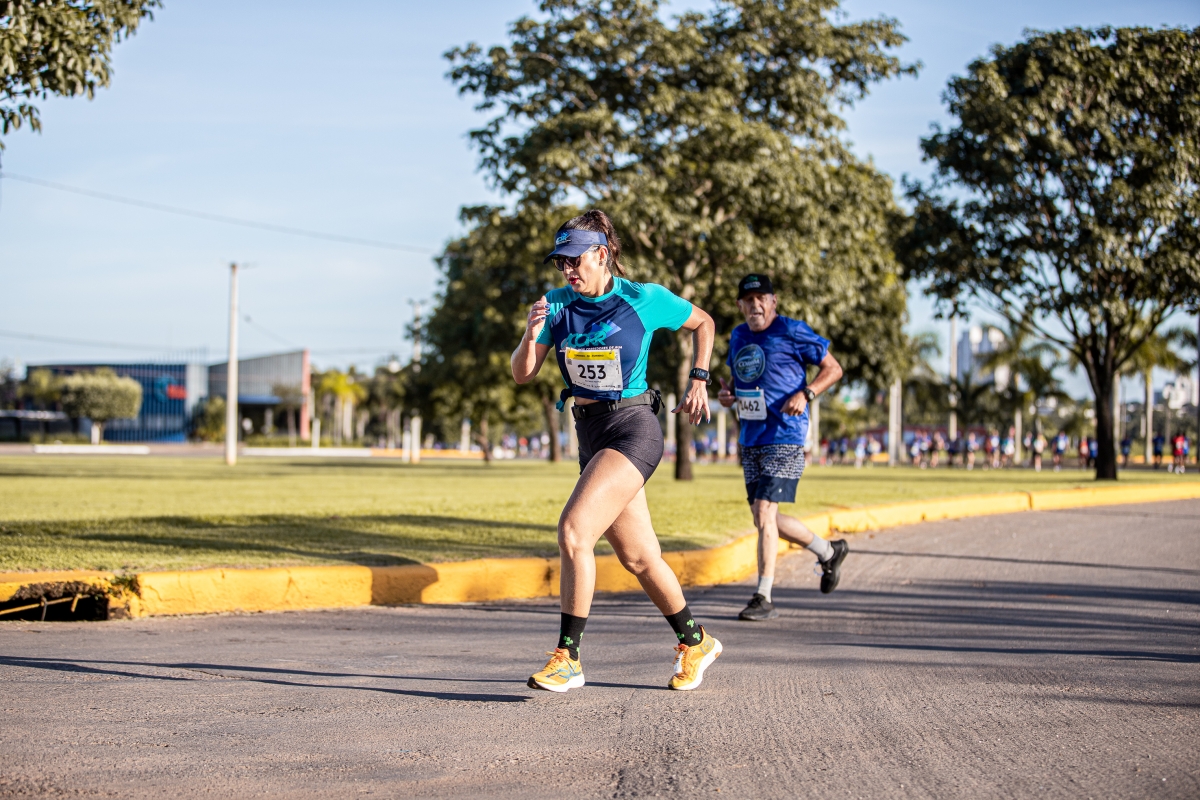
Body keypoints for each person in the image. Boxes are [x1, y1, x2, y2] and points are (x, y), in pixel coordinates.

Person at [512, 210, 721, 692]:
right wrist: (529, 333)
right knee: (640, 558)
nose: (567, 269)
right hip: (590, 434)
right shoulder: (555, 306)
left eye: (574, 259)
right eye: (560, 262)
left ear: (601, 254)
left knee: (574, 530)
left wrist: (699, 378)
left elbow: (704, 323)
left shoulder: (643, 299)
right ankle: (696, 641)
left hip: (632, 428)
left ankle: (568, 657)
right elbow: (523, 374)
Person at [717, 274, 847, 622]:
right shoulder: (738, 336)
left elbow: (834, 369)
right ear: (740, 305)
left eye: (762, 298)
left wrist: (807, 393)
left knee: (763, 514)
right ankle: (828, 551)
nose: (755, 305)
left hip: (786, 435)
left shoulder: (792, 330)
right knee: (766, 518)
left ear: (773, 302)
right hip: (751, 438)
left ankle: (763, 596)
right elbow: (740, 382)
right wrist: (728, 395)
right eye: (749, 300)